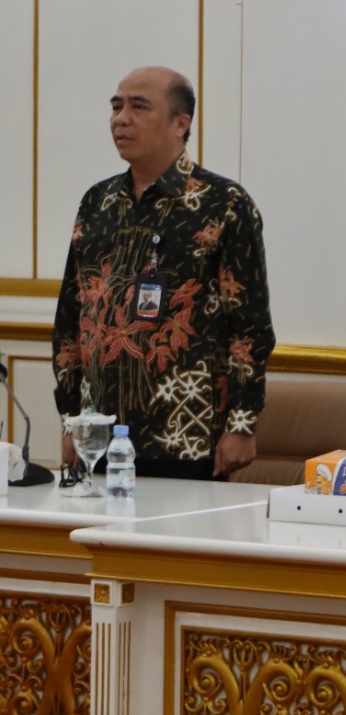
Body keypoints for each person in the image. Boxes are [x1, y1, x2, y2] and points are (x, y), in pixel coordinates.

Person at [52, 67, 275, 479]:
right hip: (99, 436)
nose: (121, 119)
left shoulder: (224, 203)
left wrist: (242, 424)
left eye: (139, 107)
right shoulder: (97, 202)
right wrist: (70, 419)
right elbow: (70, 315)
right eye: (116, 107)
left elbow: (250, 327)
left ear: (180, 123)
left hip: (186, 435)